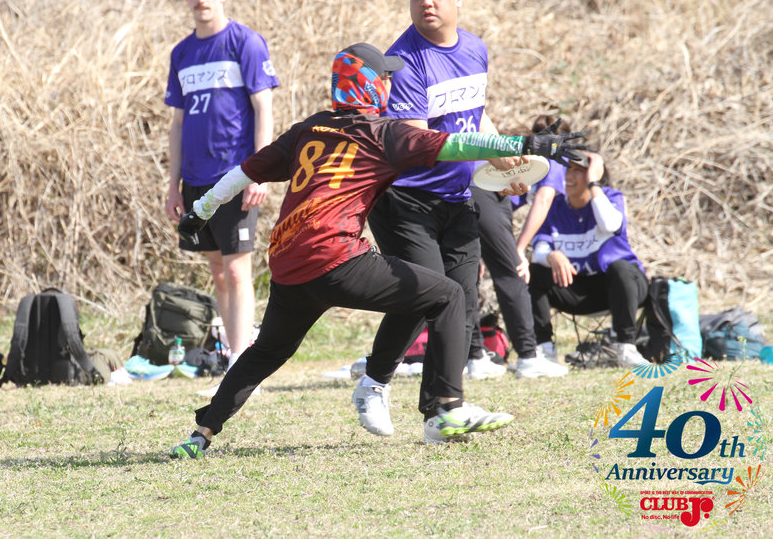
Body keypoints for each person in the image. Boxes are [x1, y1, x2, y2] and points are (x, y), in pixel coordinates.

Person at [168, 42, 580, 458]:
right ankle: (450, 406)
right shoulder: (383, 133)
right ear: (369, 85)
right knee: (449, 294)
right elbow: (457, 145)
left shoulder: (308, 129)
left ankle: (200, 435)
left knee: (267, 352)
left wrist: (200, 212)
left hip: (289, 263)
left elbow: (244, 171)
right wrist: (527, 144)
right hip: (335, 258)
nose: (389, 82)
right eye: (385, 76)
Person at [359, 0, 514, 432]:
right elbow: (421, 142)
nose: (426, 1)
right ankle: (373, 383)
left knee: (462, 300)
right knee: (426, 293)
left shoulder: (475, 49)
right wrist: (490, 150)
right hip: (404, 200)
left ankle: (443, 411)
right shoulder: (403, 61)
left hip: (456, 196)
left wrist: (506, 163)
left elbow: (475, 116)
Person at [163, 0, 279, 395]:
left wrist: (259, 172)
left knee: (236, 271)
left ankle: (242, 370)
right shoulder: (181, 53)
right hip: (195, 179)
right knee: (217, 271)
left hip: (235, 175)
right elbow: (177, 123)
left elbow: (263, 108)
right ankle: (233, 361)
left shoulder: (245, 42)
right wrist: (172, 184)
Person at [469, 115, 571, 377]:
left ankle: (474, 356)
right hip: (483, 197)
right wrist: (519, 250)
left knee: (466, 275)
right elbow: (542, 202)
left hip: (463, 187)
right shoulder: (553, 156)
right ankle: (528, 357)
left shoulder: (521, 148)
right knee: (512, 273)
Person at [526, 148, 649, 367]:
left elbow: (610, 225)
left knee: (620, 269)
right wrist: (552, 255)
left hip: (621, 288)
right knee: (534, 271)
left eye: (578, 170)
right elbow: (539, 252)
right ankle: (544, 350)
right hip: (579, 289)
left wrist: (594, 184)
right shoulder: (553, 205)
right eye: (566, 169)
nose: (569, 176)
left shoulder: (610, 197)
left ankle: (625, 347)